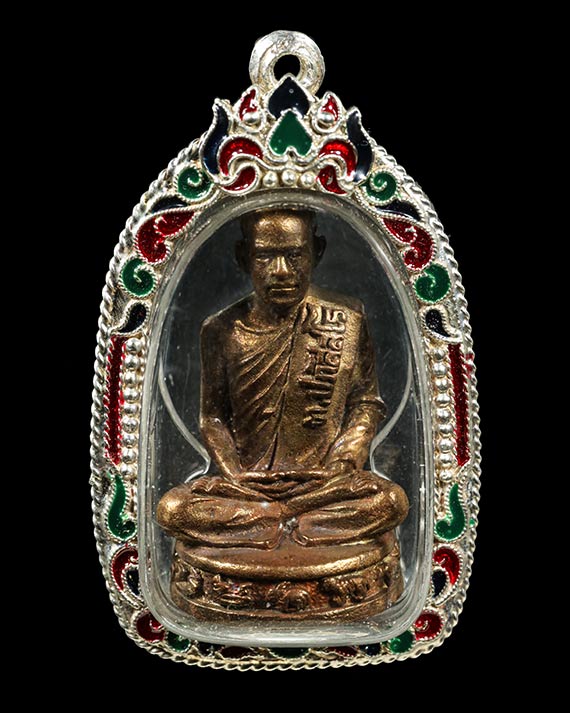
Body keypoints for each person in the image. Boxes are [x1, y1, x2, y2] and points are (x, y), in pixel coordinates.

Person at [157, 209, 408, 549]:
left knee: (391, 501)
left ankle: (272, 521)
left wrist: (342, 463)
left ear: (316, 252)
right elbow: (212, 418)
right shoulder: (221, 330)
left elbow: (366, 403)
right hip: (248, 488)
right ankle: (290, 521)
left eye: (294, 255)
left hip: (322, 485)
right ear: (243, 257)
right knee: (172, 509)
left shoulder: (346, 319)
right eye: (265, 257)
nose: (281, 271)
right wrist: (235, 475)